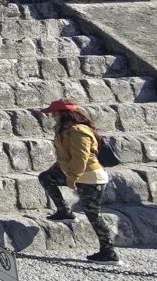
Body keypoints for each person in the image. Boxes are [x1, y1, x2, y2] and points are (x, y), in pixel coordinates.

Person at [37, 99, 120, 264]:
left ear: (63, 114)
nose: (52, 116)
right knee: (46, 177)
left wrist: (72, 178)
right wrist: (58, 169)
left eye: (54, 113)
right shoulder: (65, 130)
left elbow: (81, 158)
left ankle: (109, 253)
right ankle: (64, 212)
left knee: (94, 215)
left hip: (91, 177)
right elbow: (65, 155)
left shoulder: (78, 131)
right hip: (79, 173)